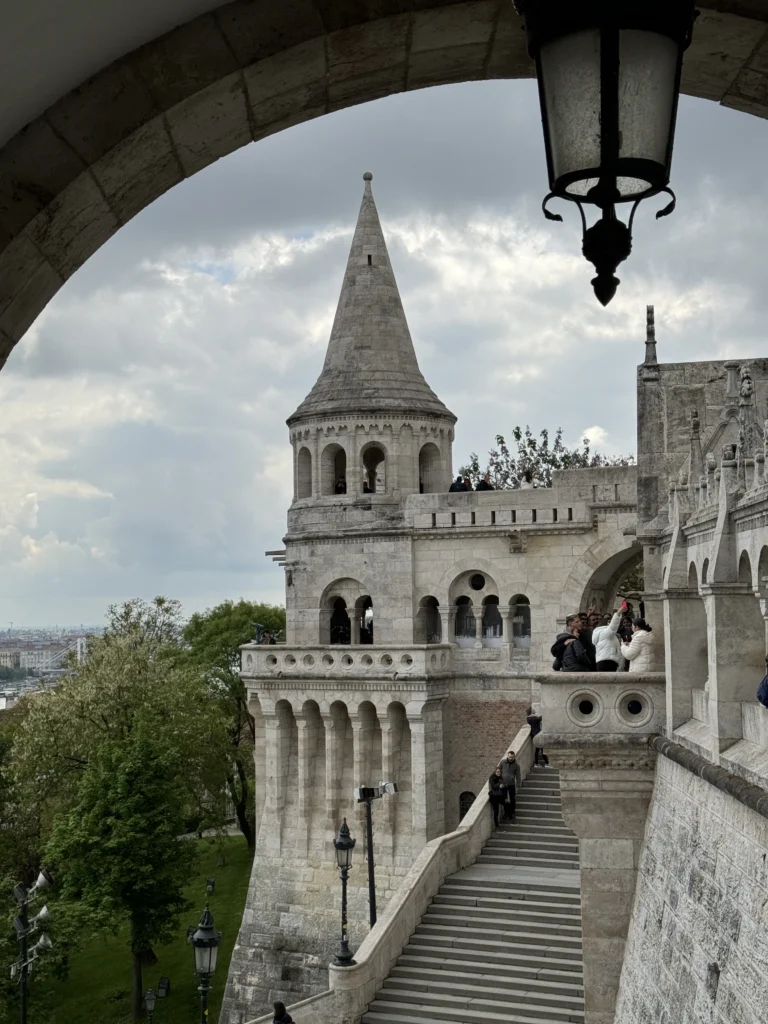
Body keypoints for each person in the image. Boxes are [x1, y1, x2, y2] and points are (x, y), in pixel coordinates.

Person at [591, 601, 627, 671]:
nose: (610, 624)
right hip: (607, 662)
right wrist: (618, 613)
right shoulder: (604, 633)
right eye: (609, 622)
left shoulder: (602, 633)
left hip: (606, 661)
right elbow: (613, 627)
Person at [498, 749, 521, 820]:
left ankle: (512, 812)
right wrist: (499, 782)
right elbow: (498, 771)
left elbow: (518, 776)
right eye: (510, 757)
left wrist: (518, 786)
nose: (511, 758)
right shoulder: (502, 762)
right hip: (503, 784)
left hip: (511, 784)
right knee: (504, 799)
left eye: (512, 757)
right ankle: (506, 813)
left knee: (512, 799)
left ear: (514, 757)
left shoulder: (516, 765)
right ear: (507, 756)